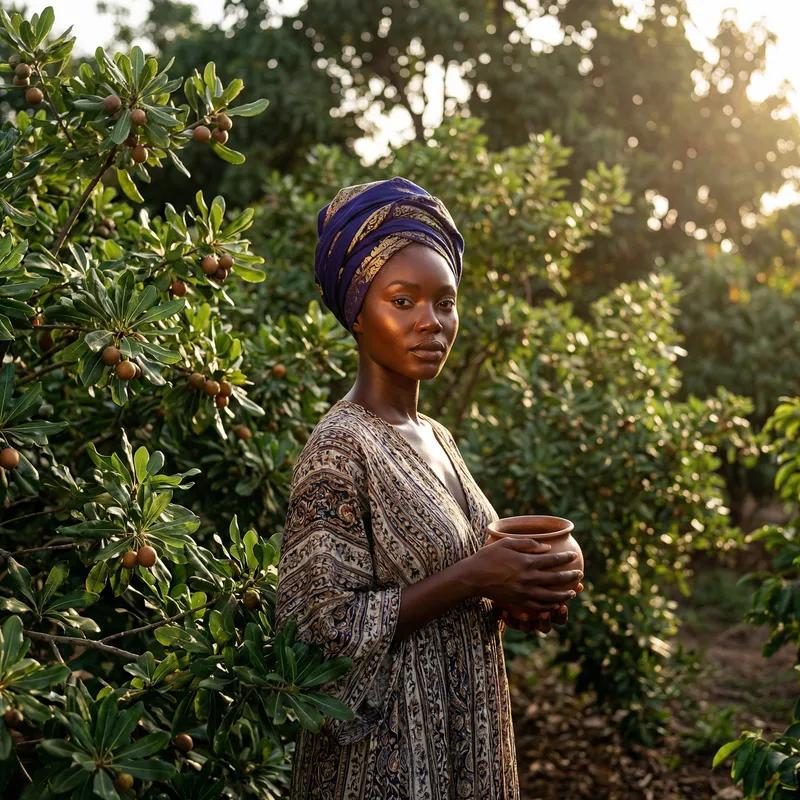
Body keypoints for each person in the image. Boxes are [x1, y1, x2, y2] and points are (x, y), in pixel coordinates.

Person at [274, 177, 584, 799]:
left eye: (445, 303)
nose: (430, 323)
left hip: (469, 741)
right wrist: (474, 577)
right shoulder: (340, 449)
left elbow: (453, 579)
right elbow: (314, 631)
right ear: (357, 312)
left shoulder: (436, 436)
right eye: (403, 300)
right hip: (384, 766)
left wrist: (517, 594)